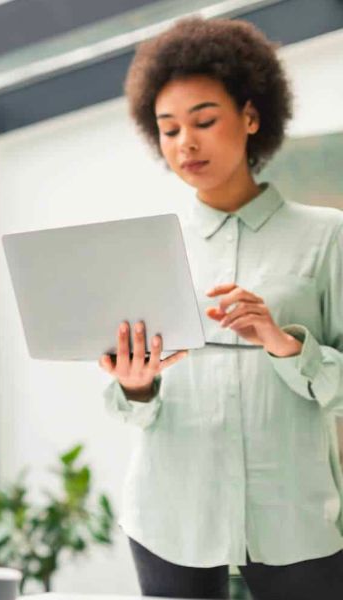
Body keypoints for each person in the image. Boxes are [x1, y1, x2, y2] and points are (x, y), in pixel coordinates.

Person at [100, 17, 343, 599]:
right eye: (169, 129)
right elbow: (128, 407)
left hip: (295, 518)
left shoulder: (327, 236)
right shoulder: (148, 244)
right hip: (170, 515)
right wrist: (137, 386)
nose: (187, 142)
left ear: (251, 118)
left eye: (205, 121)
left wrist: (285, 343)